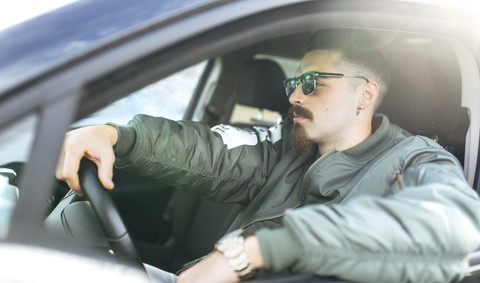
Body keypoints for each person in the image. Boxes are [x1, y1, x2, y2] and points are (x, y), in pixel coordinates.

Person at [56, 30, 480, 283]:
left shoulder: (414, 161)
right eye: (295, 82)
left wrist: (254, 250)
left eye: (313, 82)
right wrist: (116, 136)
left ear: (365, 94)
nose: (295, 94)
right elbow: (208, 151)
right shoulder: (290, 144)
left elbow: (459, 229)